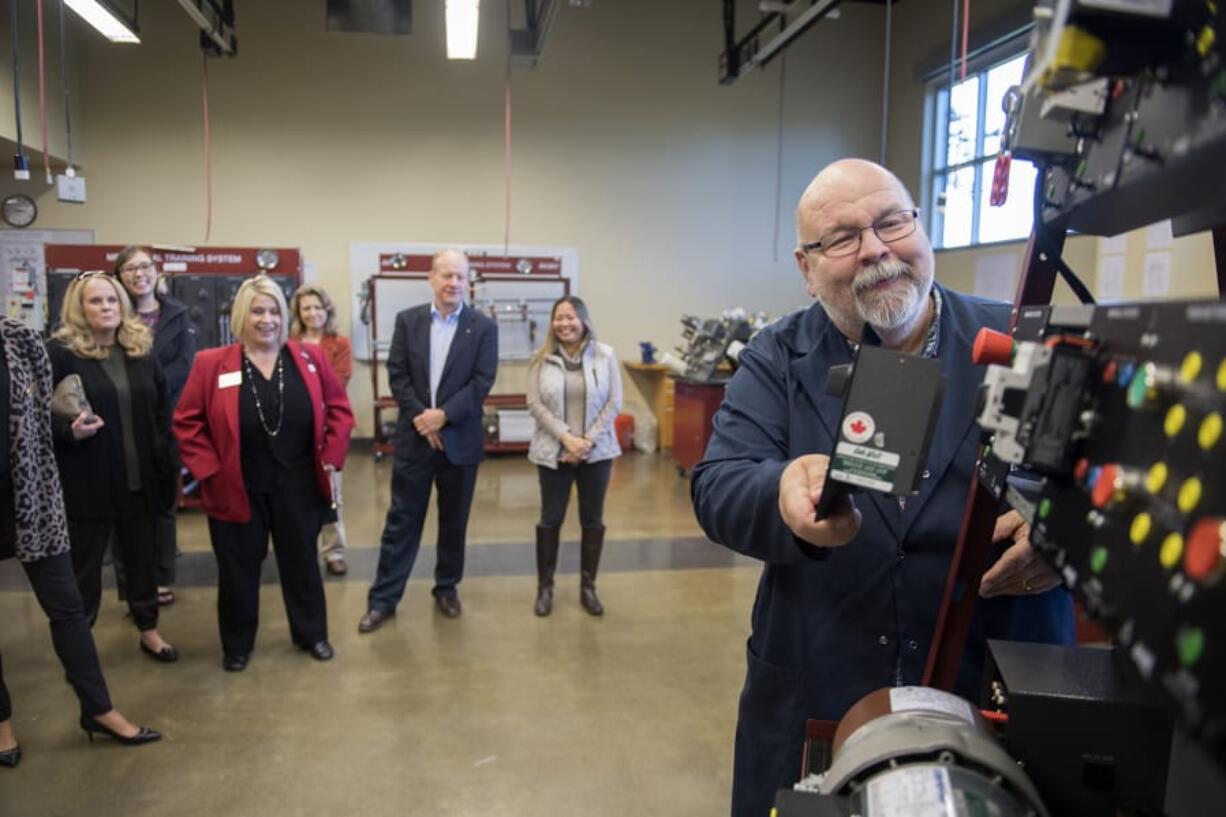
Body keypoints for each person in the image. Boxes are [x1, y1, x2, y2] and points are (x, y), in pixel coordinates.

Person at [690, 159, 1074, 816]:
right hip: (824, 681)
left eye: (891, 221)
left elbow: (1110, 483)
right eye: (842, 237)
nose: (875, 249)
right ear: (806, 268)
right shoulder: (776, 357)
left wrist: (1062, 531)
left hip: (996, 677)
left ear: (919, 227)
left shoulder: (1022, 338)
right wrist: (782, 489)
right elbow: (719, 484)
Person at [1, 316, 161, 766]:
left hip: (30, 496)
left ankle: (99, 709)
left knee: (68, 607)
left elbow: (42, 422)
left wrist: (66, 430)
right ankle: (1, 723)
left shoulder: (20, 341)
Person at [173, 276, 354, 672]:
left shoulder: (309, 358)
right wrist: (210, 470)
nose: (267, 320)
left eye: (274, 311)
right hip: (236, 485)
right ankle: (237, 644)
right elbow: (186, 422)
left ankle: (312, 634)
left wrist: (332, 456)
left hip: (299, 485)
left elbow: (339, 410)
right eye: (258, 311)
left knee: (302, 564)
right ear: (242, 315)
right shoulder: (211, 363)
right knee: (237, 570)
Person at [359, 249, 498, 632]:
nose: (453, 283)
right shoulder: (409, 322)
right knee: (402, 521)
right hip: (415, 439)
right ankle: (384, 599)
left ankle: (446, 588)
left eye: (460, 276)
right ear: (431, 279)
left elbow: (481, 382)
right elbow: (397, 373)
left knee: (454, 522)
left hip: (461, 441)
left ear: (468, 282)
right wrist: (423, 417)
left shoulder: (483, 328)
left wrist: (444, 416)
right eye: (446, 275)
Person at [47, 272, 179, 664]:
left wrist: (164, 457)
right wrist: (67, 431)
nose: (106, 308)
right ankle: (79, 638)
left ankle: (149, 629)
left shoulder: (139, 350)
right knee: (84, 568)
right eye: (96, 301)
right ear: (79, 309)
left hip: (140, 482)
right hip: (88, 482)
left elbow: (160, 409)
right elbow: (39, 414)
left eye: (111, 300)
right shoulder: (61, 353)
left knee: (141, 561)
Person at [525, 296, 623, 617]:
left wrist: (585, 441)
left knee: (592, 519)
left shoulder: (605, 355)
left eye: (571, 317)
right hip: (554, 452)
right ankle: (545, 587)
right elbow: (535, 403)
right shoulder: (540, 359)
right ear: (552, 323)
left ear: (583, 320)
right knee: (550, 518)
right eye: (559, 318)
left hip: (596, 453)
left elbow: (614, 402)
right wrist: (566, 438)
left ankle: (588, 587)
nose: (565, 324)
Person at [113, 245, 197, 607]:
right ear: (119, 277)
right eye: (129, 268)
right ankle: (131, 583)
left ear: (156, 271)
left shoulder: (177, 315)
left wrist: (150, 383)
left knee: (163, 503)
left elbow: (187, 365)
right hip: (122, 421)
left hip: (166, 420)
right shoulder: (111, 313)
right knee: (124, 506)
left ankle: (161, 577)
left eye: (144, 266)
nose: (138, 274)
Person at [289, 284, 353, 577]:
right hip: (293, 429)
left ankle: (334, 552)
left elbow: (337, 384)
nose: (313, 313)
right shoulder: (286, 343)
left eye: (318, 307)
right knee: (295, 495)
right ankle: (300, 549)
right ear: (298, 313)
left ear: (326, 310)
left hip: (328, 430)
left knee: (330, 492)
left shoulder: (339, 344)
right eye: (306, 308)